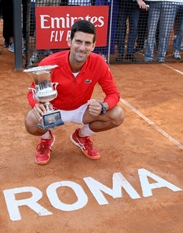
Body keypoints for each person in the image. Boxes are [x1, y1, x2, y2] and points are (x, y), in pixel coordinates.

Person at [24, 20, 125, 165]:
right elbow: (33, 91)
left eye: (87, 43)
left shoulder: (98, 63)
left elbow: (113, 93)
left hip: (81, 110)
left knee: (117, 114)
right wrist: (36, 104)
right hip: (54, 112)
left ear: (93, 45)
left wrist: (104, 106)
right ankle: (46, 139)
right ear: (69, 41)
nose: (82, 48)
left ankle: (81, 136)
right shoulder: (49, 62)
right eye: (78, 41)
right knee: (30, 121)